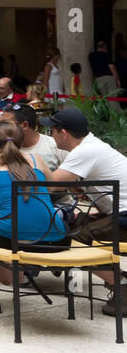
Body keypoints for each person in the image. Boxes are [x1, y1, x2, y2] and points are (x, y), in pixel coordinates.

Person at [47, 107, 127, 314]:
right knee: (74, 223)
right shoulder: (92, 145)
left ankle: (122, 287)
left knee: (73, 239)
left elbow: (50, 185)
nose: (50, 135)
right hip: (119, 213)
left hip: (125, 217)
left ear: (63, 133)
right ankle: (74, 282)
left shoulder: (85, 151)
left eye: (52, 131)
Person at [0, 120, 68, 286]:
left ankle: (6, 270)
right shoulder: (36, 159)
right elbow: (51, 188)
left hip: (10, 240)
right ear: (21, 142)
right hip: (55, 240)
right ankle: (26, 266)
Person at [0, 103, 65, 172]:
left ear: (25, 125)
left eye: (6, 124)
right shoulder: (0, 147)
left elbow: (70, 177)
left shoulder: (54, 144)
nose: (1, 128)